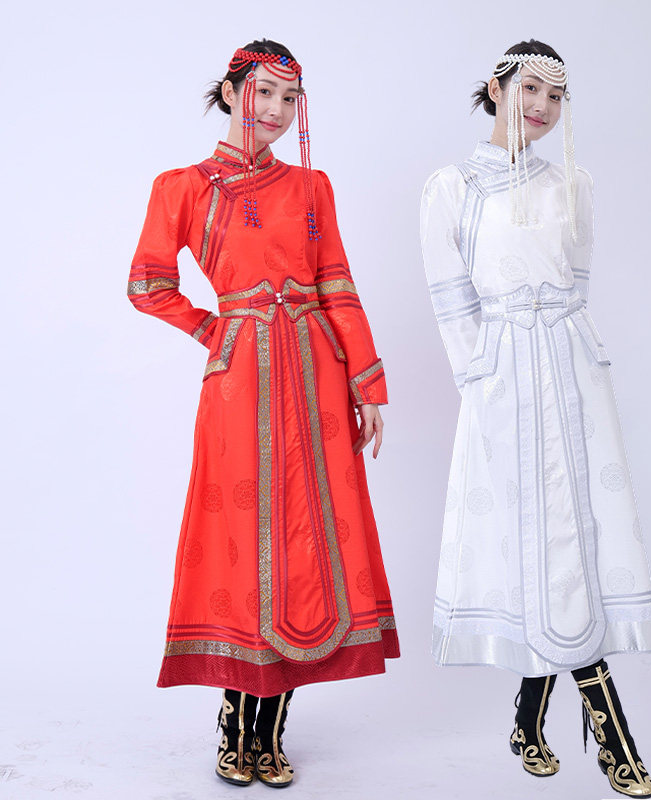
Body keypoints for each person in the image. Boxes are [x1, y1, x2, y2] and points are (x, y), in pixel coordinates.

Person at [128, 38, 399, 788]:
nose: (277, 110)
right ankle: (233, 721)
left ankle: (271, 730)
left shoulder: (311, 186)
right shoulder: (183, 187)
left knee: (309, 538)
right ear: (230, 91)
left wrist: (366, 384)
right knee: (246, 541)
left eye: (290, 98)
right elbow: (147, 283)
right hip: (241, 377)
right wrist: (212, 329)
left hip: (316, 374)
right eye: (265, 93)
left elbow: (337, 283)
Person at [420, 39, 651, 798]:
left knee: (574, 539)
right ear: (497, 88)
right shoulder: (453, 186)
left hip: (569, 369)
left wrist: (568, 355)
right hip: (501, 378)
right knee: (533, 540)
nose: (542, 107)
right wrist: (481, 378)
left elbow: (577, 283)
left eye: (556, 97)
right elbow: (450, 298)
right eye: (530, 89)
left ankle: (532, 723)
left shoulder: (572, 185)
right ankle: (610, 733)